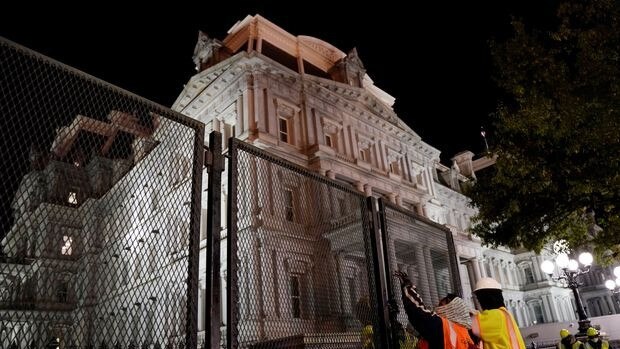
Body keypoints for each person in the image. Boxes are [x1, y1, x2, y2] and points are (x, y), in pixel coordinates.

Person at [395, 271, 476, 349]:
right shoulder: (464, 333)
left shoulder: (443, 326)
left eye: (441, 304)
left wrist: (408, 286)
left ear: (452, 308)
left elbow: (418, 313)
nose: (437, 307)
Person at [471, 277, 525, 349]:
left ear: (485, 298)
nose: (479, 302)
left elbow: (471, 325)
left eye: (479, 298)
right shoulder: (504, 314)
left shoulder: (495, 315)